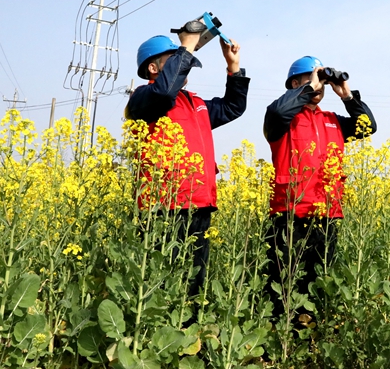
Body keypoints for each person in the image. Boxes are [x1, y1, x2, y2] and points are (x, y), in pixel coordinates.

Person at [125, 25, 248, 298]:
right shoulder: (143, 99)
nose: (185, 65)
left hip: (199, 203)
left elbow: (233, 107)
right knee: (162, 280)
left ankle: (188, 331)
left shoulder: (196, 103)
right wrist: (187, 45)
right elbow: (164, 92)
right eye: (176, 59)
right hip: (164, 206)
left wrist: (234, 68)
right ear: (154, 69)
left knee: (194, 280)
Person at [262, 56, 376, 318]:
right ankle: (280, 336)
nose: (320, 86)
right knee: (284, 282)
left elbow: (368, 126)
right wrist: (309, 87)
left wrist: (347, 96)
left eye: (322, 81)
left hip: (326, 212)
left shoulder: (333, 120)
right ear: (295, 83)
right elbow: (278, 111)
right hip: (290, 212)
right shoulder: (282, 118)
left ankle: (309, 336)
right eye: (311, 79)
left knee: (318, 281)